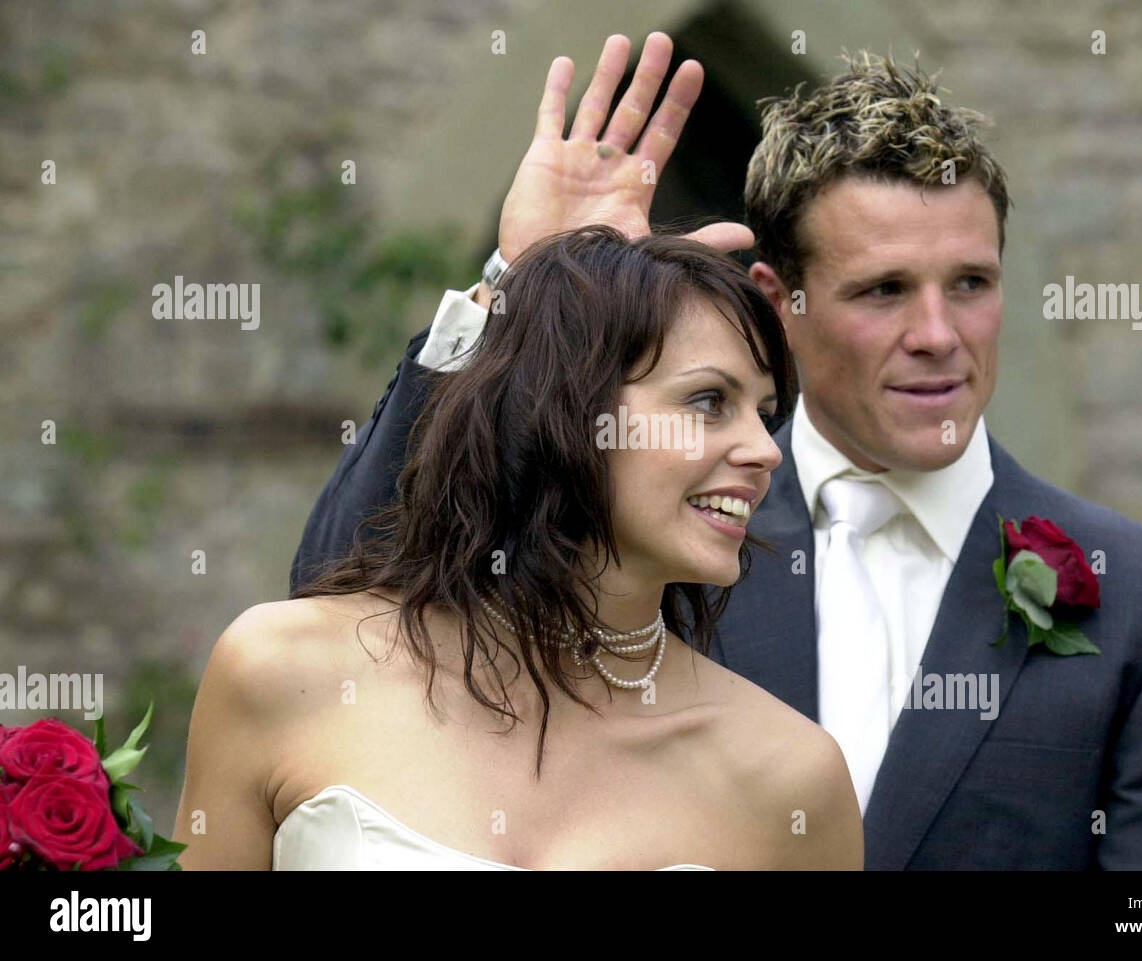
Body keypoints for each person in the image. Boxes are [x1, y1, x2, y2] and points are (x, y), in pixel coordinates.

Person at [291, 33, 1142, 868]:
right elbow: (341, 595)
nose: (937, 332)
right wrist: (518, 289)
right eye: (883, 290)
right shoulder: (659, 531)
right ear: (775, 299)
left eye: (969, 282)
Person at [173, 223, 865, 870]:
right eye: (709, 401)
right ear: (566, 409)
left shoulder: (793, 779)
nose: (762, 450)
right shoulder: (282, 670)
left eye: (765, 413)